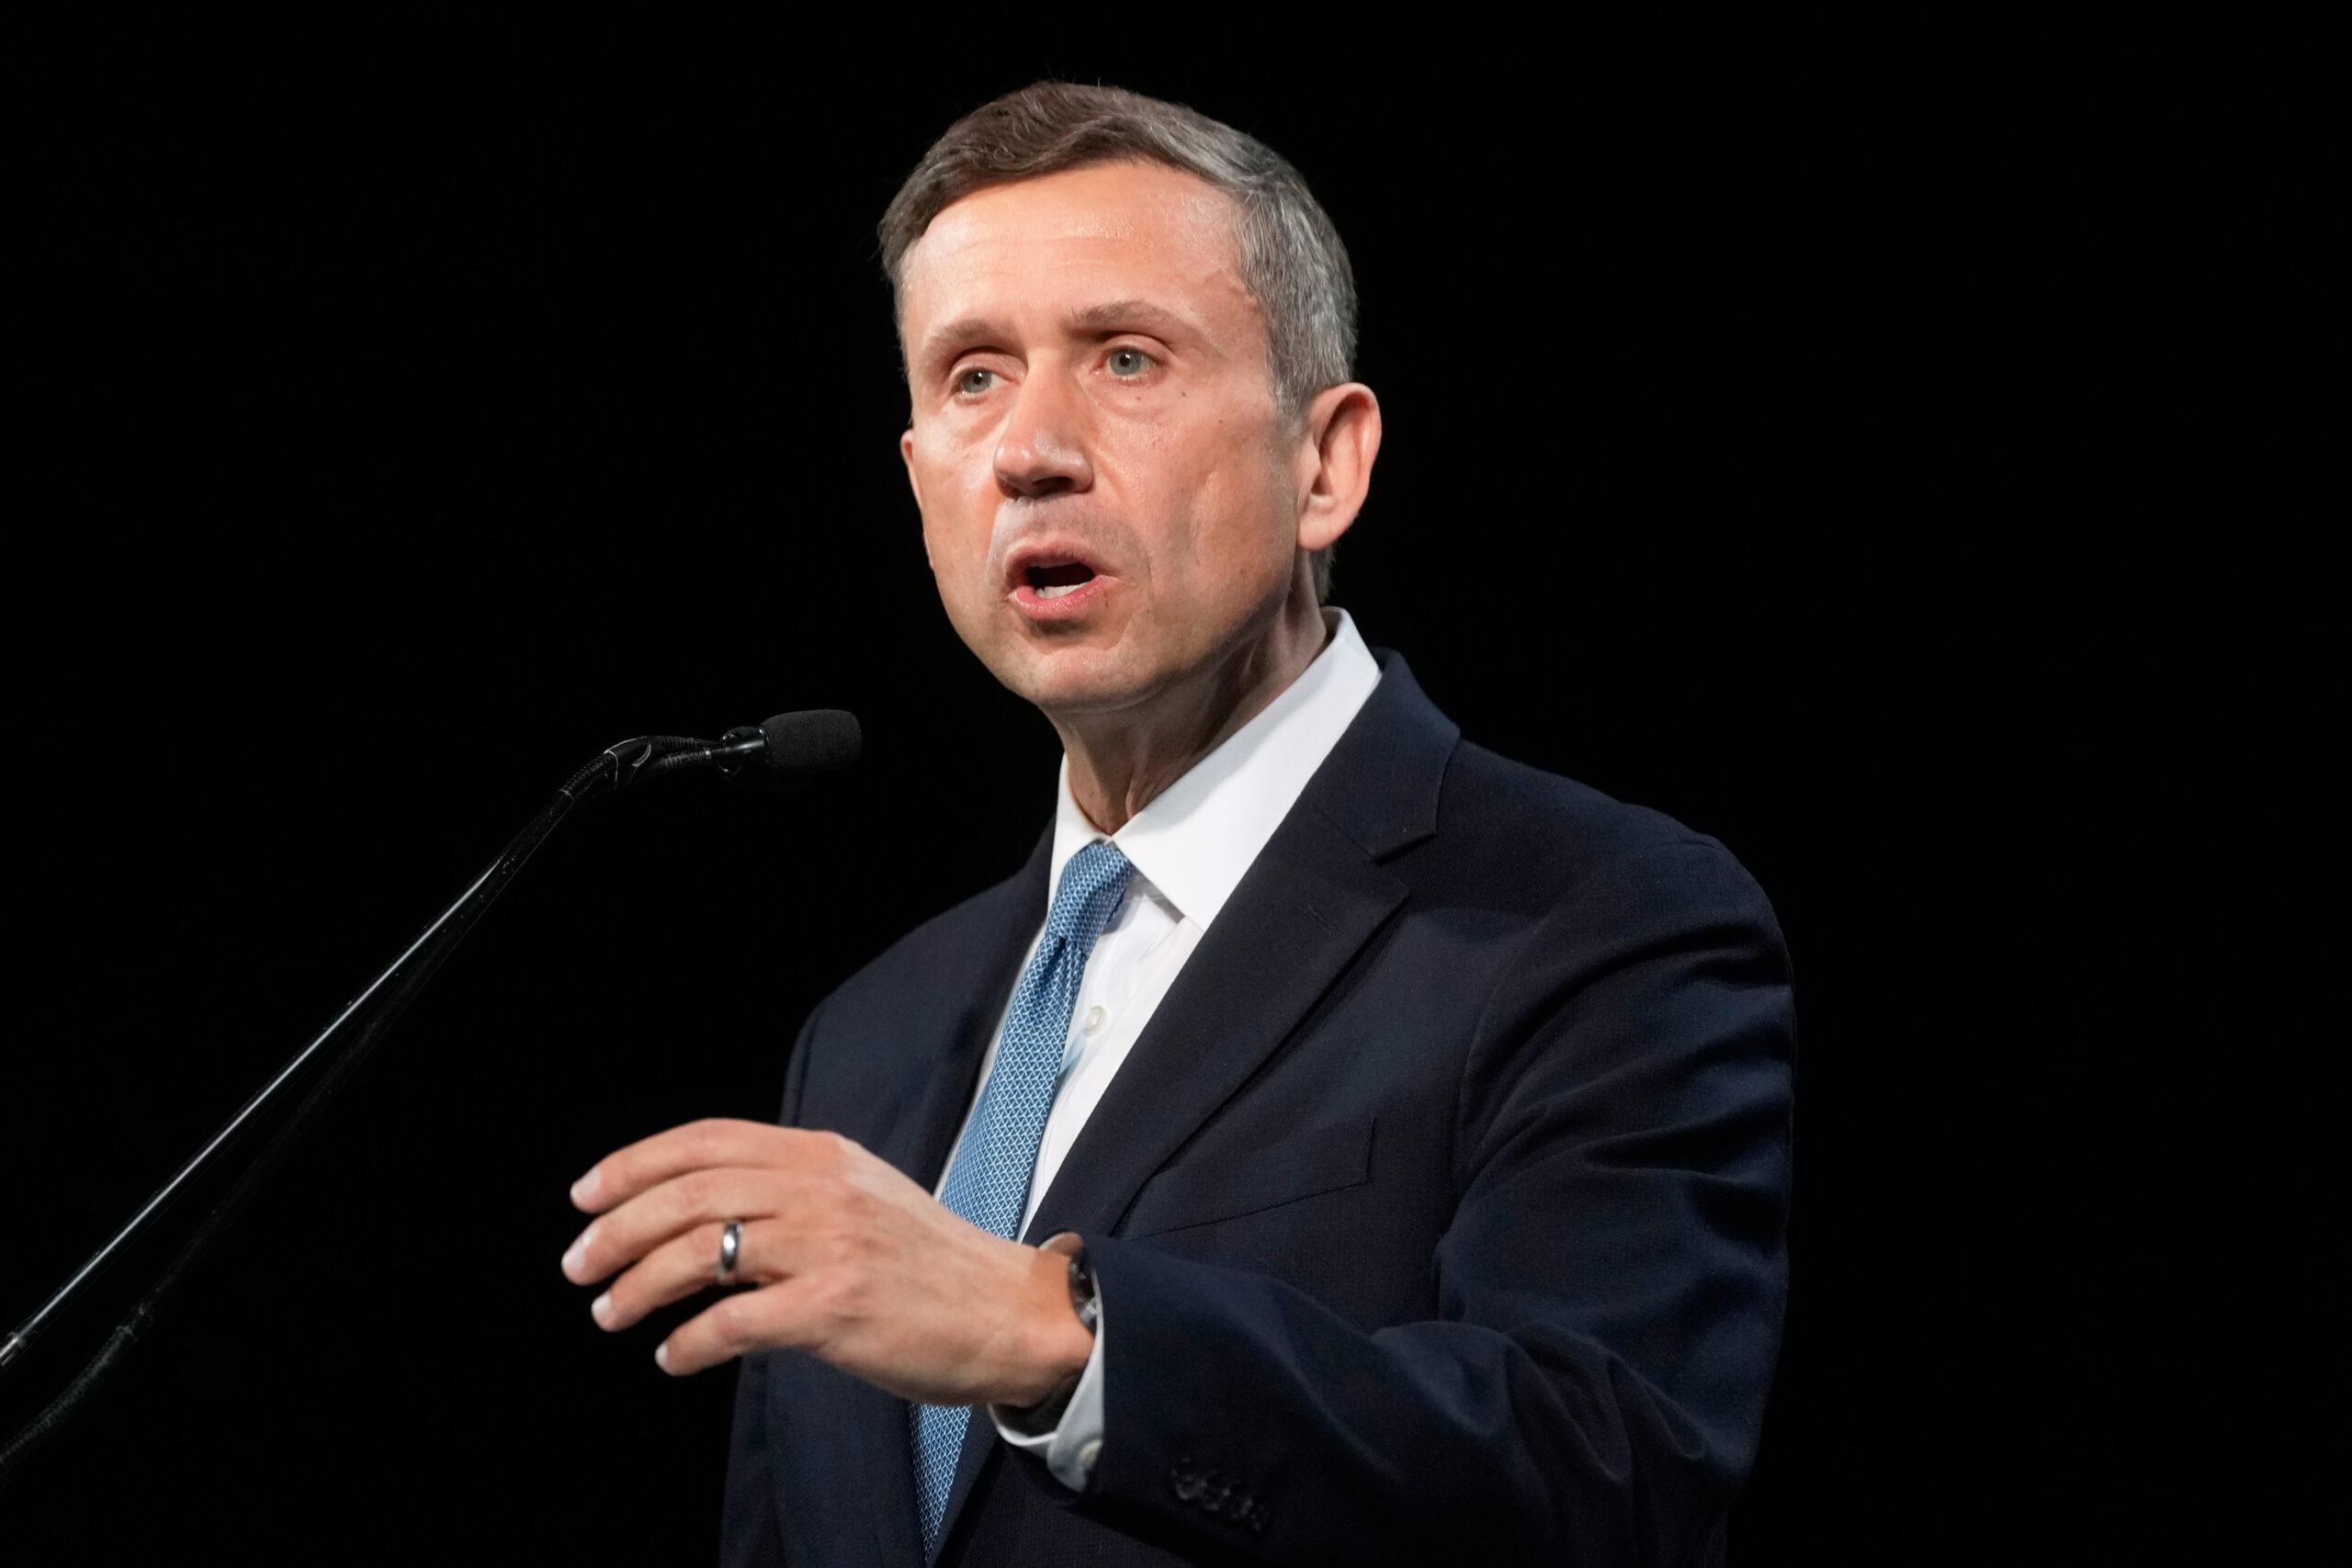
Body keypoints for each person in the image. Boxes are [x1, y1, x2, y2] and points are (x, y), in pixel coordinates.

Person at [559, 82, 1794, 1566]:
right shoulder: (868, 1042)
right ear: (919, 482)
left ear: (1324, 464)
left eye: (1126, 357)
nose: (1031, 450)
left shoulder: (1595, 919)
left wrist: (1056, 1336)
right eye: (971, 376)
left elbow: (1604, 1484)